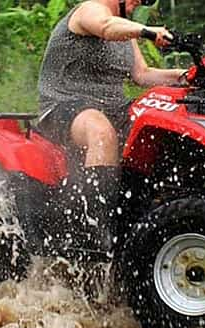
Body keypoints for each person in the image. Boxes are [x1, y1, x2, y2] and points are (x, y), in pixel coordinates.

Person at [36, 0, 185, 254]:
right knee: (101, 132)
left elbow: (143, 75)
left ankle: (148, 214)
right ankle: (91, 226)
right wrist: (147, 31)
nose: (140, 2)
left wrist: (185, 76)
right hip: (65, 106)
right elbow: (105, 26)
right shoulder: (89, 11)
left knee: (160, 127)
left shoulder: (126, 31)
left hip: (114, 108)